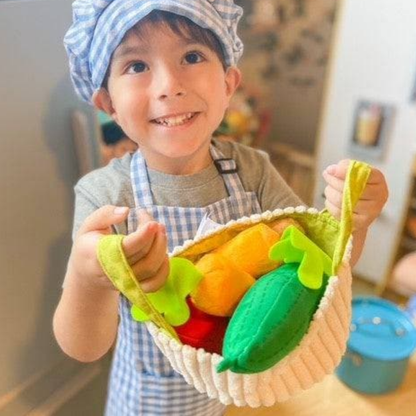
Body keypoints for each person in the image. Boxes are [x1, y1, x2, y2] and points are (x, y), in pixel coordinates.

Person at [53, 1, 389, 415]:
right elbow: (83, 347)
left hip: (228, 393)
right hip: (146, 402)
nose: (168, 85)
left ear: (229, 84)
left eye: (191, 57)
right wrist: (89, 277)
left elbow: (319, 274)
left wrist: (353, 223)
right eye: (136, 66)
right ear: (108, 104)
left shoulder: (254, 171)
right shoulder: (105, 196)